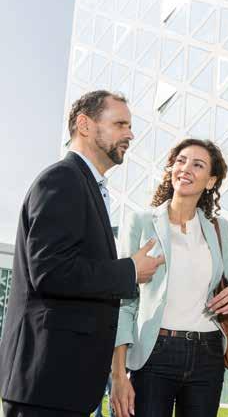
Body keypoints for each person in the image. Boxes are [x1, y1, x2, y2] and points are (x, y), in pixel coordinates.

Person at [0, 90, 165, 417]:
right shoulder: (63, 180)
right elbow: (50, 271)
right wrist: (129, 271)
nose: (130, 134)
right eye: (120, 124)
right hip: (47, 384)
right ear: (84, 125)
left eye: (130, 126)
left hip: (63, 385)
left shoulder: (87, 185)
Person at [111, 138, 228, 417]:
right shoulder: (140, 222)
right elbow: (123, 302)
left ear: (210, 181)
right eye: (180, 161)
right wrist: (117, 375)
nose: (185, 168)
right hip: (154, 352)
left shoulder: (218, 228)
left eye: (197, 165)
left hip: (208, 354)